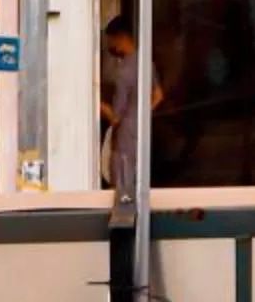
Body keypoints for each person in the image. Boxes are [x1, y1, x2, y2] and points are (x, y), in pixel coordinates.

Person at [101, 17, 151, 298]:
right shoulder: (146, 63)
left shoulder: (124, 72)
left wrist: (95, 101)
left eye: (111, 43)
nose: (111, 48)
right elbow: (157, 95)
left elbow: (116, 116)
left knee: (122, 208)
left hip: (125, 146)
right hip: (140, 139)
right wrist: (142, 116)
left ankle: (123, 286)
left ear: (120, 38)